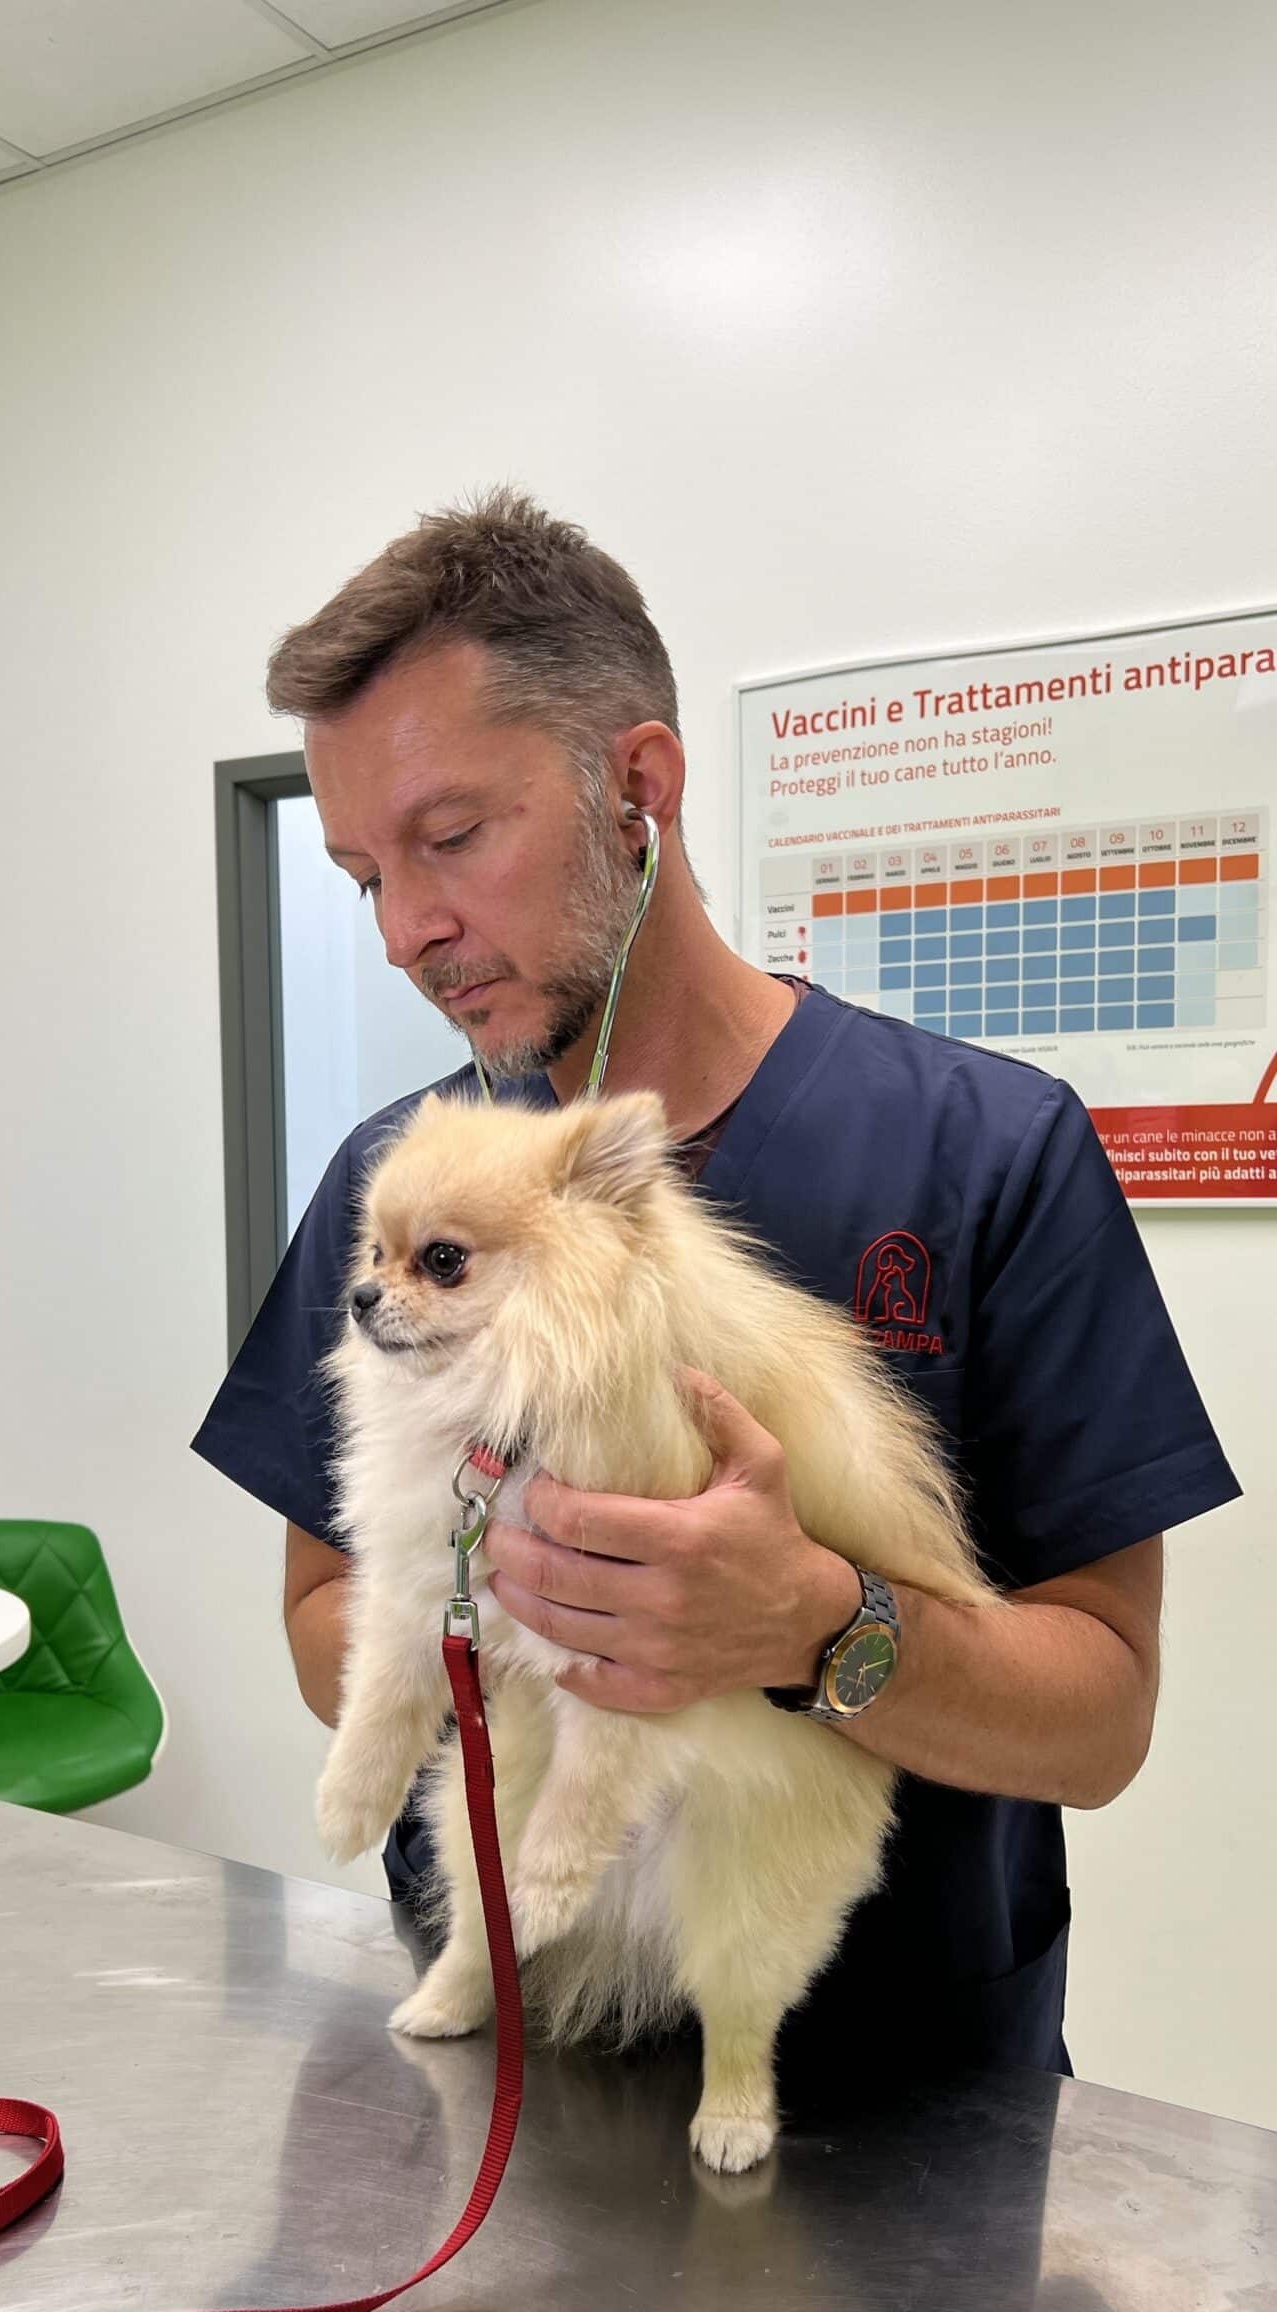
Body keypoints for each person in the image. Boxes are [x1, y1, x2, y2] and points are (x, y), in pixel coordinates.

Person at [192, 488, 1240, 2098]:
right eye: (361, 875)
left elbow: (1099, 1723)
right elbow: (323, 1608)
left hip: (902, 2099)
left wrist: (816, 1624)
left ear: (641, 788)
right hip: (503, 2055)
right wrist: (514, 1633)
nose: (407, 931)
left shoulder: (987, 1153)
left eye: (452, 839)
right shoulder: (400, 1184)